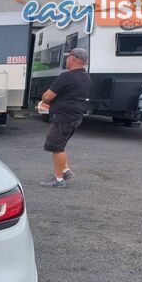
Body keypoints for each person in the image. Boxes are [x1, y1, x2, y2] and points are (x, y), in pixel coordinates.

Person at [39, 48, 91, 188]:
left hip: (63, 117)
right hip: (75, 116)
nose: (66, 60)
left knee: (56, 146)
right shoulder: (86, 76)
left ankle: (59, 180)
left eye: (68, 57)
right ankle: (65, 171)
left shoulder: (66, 76)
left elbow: (48, 96)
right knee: (61, 144)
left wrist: (44, 98)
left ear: (73, 59)